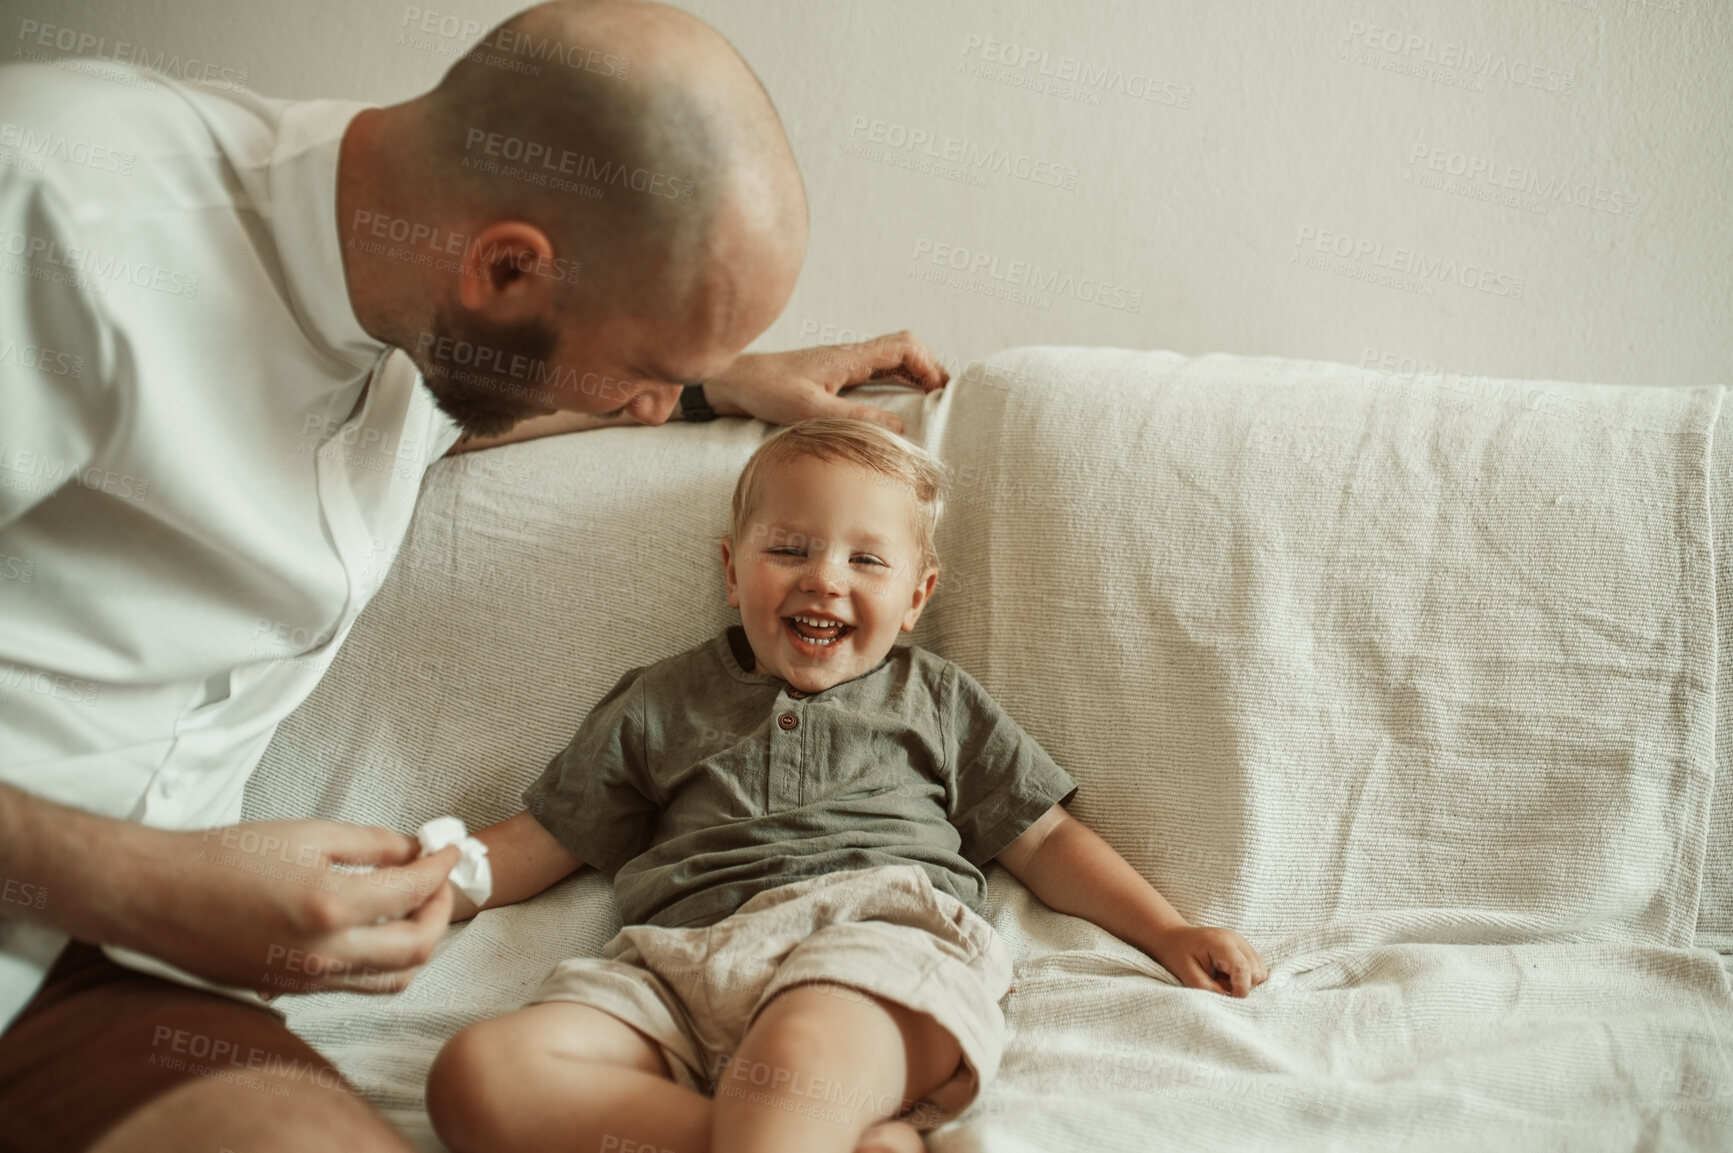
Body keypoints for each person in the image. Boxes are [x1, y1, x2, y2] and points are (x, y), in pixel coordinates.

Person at [0, 2, 948, 1149]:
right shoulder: (55, 208)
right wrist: (143, 885)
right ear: (507, 269)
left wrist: (718, 382)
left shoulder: (411, 312)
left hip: (113, 983)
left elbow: (445, 418)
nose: (648, 412)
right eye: (647, 375)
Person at [423, 419, 1269, 1153]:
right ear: (730, 570)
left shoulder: (933, 698)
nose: (824, 577)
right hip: (683, 972)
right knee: (480, 1074)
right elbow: (543, 837)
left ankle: (790, 1126)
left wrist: (1166, 929)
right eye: (788, 548)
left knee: (798, 1053)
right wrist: (423, 880)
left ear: (915, 596)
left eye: (866, 558)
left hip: (874, 951)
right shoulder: (660, 699)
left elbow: (1043, 839)